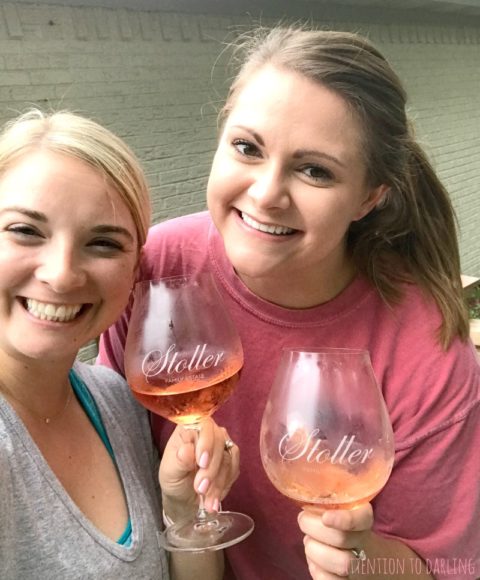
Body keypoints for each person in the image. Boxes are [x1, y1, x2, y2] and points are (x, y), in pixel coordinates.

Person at [99, 25, 480, 580]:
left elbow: (446, 566)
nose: (266, 194)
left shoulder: (424, 347)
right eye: (247, 147)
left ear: (369, 198)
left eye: (314, 171)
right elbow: (105, 463)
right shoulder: (156, 268)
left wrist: (364, 560)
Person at [0, 109, 238, 580]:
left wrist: (181, 509)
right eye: (25, 231)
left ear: (135, 271)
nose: (62, 274)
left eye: (104, 243)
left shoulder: (116, 402)